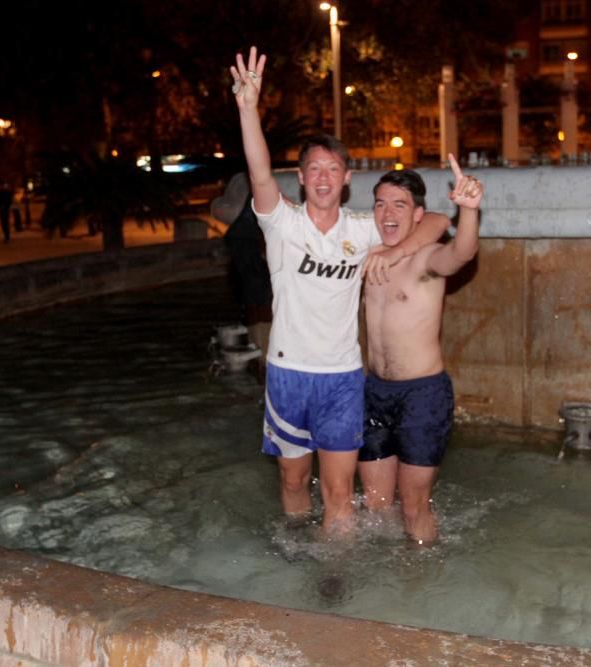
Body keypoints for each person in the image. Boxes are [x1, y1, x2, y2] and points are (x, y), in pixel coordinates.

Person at [230, 46, 450, 534]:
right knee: (292, 482)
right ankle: (294, 552)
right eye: (315, 169)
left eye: (334, 169)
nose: (324, 178)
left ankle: (335, 579)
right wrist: (248, 109)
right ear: (302, 178)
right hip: (288, 374)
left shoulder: (363, 228)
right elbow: (259, 171)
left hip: (343, 379)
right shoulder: (281, 224)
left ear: (347, 179)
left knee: (337, 492)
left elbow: (435, 219)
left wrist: (393, 252)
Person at [358, 158, 483, 545]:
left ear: (416, 213)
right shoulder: (369, 255)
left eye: (399, 204)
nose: (388, 212)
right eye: (380, 203)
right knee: (376, 505)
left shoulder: (427, 259)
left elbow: (460, 252)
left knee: (414, 505)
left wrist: (469, 210)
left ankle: (419, 586)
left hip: (422, 396)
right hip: (374, 393)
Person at [213, 172, 272, 380]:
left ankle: (258, 354)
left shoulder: (240, 230)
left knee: (253, 291)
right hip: (260, 291)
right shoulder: (255, 193)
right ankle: (260, 356)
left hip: (254, 290)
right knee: (258, 292)